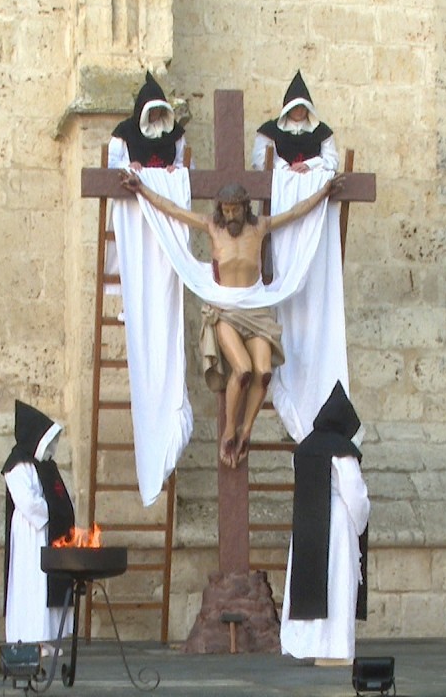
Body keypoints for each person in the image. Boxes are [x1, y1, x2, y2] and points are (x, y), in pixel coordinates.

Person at [121, 171, 344, 468]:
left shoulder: (260, 226)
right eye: (225, 211)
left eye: (235, 210)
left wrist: (324, 191)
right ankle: (228, 431)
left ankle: (245, 431)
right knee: (242, 370)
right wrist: (143, 191)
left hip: (257, 308)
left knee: (263, 372)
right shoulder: (212, 227)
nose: (230, 216)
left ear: (245, 207)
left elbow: (296, 212)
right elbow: (172, 210)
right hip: (224, 309)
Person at [281, 382, 370, 664]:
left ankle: (308, 646)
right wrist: (360, 524)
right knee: (338, 584)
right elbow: (355, 494)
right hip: (337, 524)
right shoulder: (341, 451)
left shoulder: (304, 449)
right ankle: (334, 649)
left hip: (308, 524)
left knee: (313, 580)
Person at [2, 400, 76, 646]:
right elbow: (28, 502)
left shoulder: (44, 466)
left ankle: (47, 637)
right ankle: (29, 638)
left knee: (44, 584)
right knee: (31, 585)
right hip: (31, 533)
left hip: (47, 533)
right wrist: (53, 512)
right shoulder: (17, 467)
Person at [252, 70, 338, 173]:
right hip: (279, 183)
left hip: (314, 183)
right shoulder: (269, 131)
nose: (299, 110)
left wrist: (309, 165)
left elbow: (332, 160)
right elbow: (260, 159)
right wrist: (285, 168)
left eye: (303, 107)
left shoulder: (322, 132)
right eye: (295, 107)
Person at [108, 71, 187, 172]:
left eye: (158, 108)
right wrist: (128, 166)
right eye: (151, 109)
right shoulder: (126, 130)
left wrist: (177, 168)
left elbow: (186, 163)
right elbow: (111, 161)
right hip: (132, 184)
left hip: (165, 186)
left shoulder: (175, 132)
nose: (155, 112)